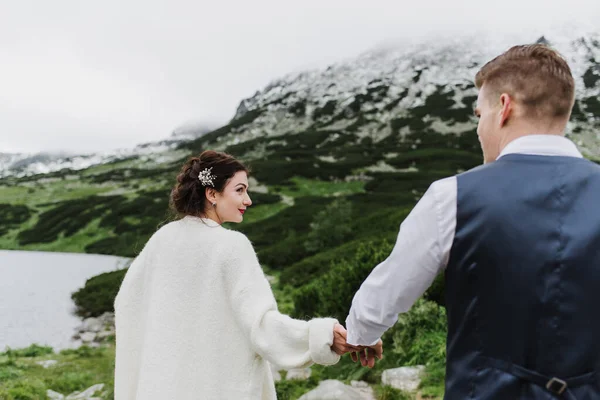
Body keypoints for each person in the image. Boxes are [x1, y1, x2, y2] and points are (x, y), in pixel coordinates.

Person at [346, 44, 600, 398]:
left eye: (479, 114)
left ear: (504, 108)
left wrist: (360, 336)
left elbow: (383, 297)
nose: (479, 128)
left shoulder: (451, 197)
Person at [114, 150, 357, 400]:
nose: (248, 200)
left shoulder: (161, 239)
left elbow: (127, 305)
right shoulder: (232, 245)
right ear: (212, 194)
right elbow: (262, 326)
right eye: (240, 190)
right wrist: (322, 336)